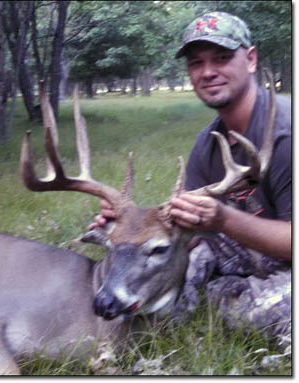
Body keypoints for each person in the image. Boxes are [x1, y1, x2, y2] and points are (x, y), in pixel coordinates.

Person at [90, 12, 291, 348]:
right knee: (179, 261)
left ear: (251, 59)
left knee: (245, 312)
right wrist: (127, 223)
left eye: (223, 58)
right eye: (197, 63)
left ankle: (225, 296)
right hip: (256, 252)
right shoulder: (208, 142)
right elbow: (185, 232)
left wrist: (223, 219)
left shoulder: (285, 135)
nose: (208, 72)